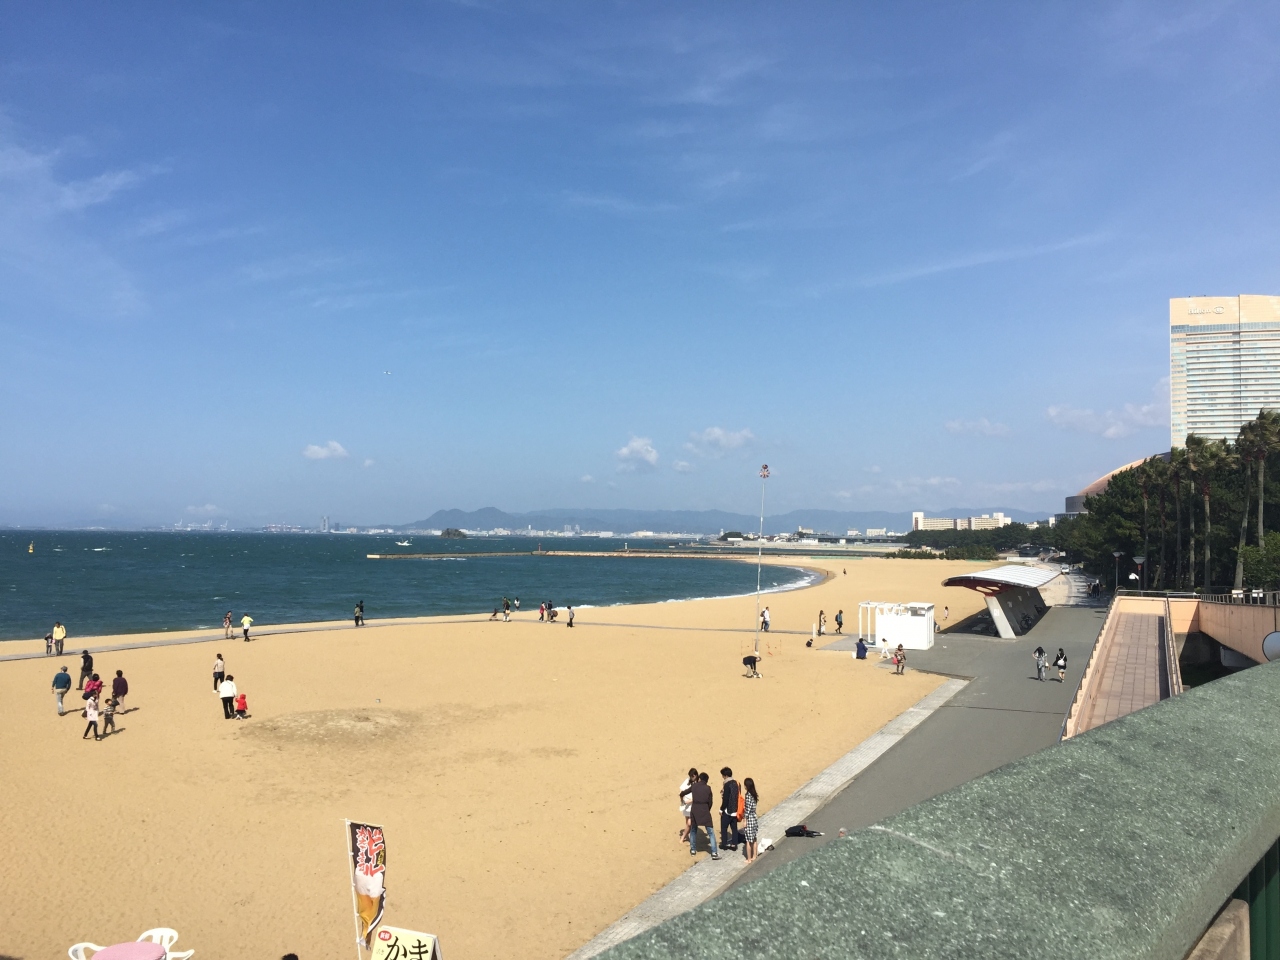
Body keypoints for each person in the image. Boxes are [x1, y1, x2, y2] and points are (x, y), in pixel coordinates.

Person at [687, 772, 720, 859]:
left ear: (700, 779)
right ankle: (714, 852)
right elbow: (710, 802)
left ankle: (693, 849)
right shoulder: (708, 788)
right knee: (710, 832)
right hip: (705, 810)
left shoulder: (694, 786)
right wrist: (707, 809)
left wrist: (681, 795)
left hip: (695, 810)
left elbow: (686, 792)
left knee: (693, 830)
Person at [719, 768, 740, 852]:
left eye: (723, 775)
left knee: (724, 828)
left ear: (726, 775)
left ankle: (724, 844)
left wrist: (721, 809)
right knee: (734, 828)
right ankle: (734, 844)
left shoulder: (727, 785)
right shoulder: (737, 783)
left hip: (728, 811)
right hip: (735, 810)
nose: (722, 777)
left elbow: (726, 799)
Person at [742, 778, 760, 863]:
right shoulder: (754, 794)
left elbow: (747, 809)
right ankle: (754, 855)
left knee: (748, 841)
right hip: (754, 818)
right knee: (754, 838)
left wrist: (745, 820)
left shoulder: (748, 795)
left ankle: (749, 859)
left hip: (750, 820)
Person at [677, 768, 697, 844]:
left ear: (695, 775)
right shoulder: (687, 780)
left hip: (693, 805)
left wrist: (690, 801)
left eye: (692, 776)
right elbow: (681, 789)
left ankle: (683, 837)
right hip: (686, 805)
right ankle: (689, 837)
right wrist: (682, 799)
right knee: (687, 823)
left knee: (689, 823)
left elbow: (698, 795)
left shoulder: (698, 782)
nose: (691, 778)